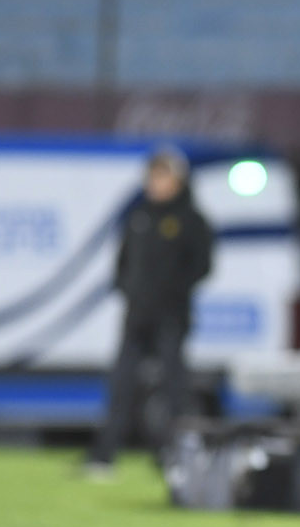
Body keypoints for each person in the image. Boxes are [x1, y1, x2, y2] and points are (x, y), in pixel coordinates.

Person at [86, 148, 213, 473]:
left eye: (163, 177)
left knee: (174, 390)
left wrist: (169, 294)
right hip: (137, 316)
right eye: (152, 176)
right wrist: (130, 290)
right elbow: (124, 261)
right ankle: (103, 456)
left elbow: (201, 266)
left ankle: (177, 456)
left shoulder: (191, 219)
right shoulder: (139, 216)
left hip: (171, 317)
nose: (155, 183)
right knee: (122, 385)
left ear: (178, 180)